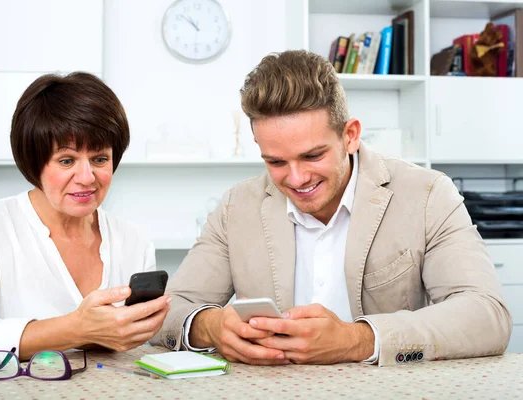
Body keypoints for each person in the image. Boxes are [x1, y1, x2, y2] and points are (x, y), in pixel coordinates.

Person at [153, 50, 512, 366]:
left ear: (350, 135)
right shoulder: (236, 207)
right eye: (276, 161)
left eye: (313, 155)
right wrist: (210, 326)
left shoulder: (429, 194)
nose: (296, 178)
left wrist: (356, 340)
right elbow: (167, 312)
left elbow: (487, 315)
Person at [0, 72, 171, 369]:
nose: (87, 178)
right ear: (34, 161)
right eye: (66, 160)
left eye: (100, 159)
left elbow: (139, 345)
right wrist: (76, 329)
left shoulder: (134, 240)